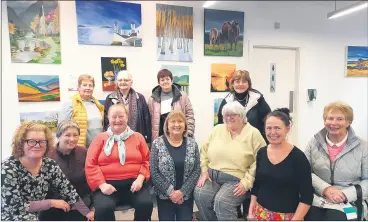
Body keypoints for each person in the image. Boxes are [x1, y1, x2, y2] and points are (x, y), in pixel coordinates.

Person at [1, 122, 93, 221]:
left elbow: (69, 192)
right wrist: (51, 203)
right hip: (12, 216)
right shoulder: (7, 168)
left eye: (42, 141)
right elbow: (15, 207)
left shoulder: (49, 164)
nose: (37, 145)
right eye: (31, 141)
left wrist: (87, 213)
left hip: (39, 215)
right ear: (21, 143)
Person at [194, 101, 266, 220]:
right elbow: (204, 151)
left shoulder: (253, 133)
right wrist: (204, 171)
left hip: (236, 179)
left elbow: (260, 160)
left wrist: (246, 182)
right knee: (200, 195)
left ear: (242, 116)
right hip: (212, 175)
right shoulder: (217, 129)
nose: (229, 118)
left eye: (233, 115)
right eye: (226, 115)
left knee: (222, 202)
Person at [85, 104, 153, 221]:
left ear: (127, 117)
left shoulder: (138, 137)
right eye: (114, 117)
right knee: (104, 208)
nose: (117, 120)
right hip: (107, 186)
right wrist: (102, 185)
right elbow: (90, 165)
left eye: (121, 116)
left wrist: (140, 179)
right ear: (108, 118)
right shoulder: (99, 138)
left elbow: (147, 160)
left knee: (146, 204)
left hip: (134, 185)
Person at [304, 101, 368, 221]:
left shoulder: (363, 146)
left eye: (340, 119)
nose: (334, 123)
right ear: (324, 121)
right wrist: (325, 189)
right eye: (330, 118)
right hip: (317, 198)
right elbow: (304, 171)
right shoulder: (313, 142)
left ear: (349, 122)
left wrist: (345, 194)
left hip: (349, 201)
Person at [248, 108, 313, 221]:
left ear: (288, 129)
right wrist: (250, 213)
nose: (272, 132)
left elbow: (307, 196)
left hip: (287, 217)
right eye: (269, 128)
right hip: (260, 213)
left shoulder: (298, 157)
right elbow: (257, 186)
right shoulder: (261, 153)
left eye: (277, 128)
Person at [38, 120, 94, 221]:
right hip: (54, 207)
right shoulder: (46, 156)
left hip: (81, 205)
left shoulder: (84, 152)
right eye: (67, 135)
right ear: (58, 136)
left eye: (75, 135)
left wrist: (93, 207)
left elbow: (92, 180)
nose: (72, 139)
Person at [150, 110, 201, 221]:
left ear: (185, 126)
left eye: (180, 121)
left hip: (186, 196)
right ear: (167, 125)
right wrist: (171, 193)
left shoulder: (193, 144)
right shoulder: (157, 143)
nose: (176, 124)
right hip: (165, 196)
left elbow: (197, 170)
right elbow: (153, 171)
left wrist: (182, 192)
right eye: (173, 121)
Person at [217, 70, 271, 143]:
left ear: (248, 84)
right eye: (237, 81)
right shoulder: (227, 100)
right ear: (232, 84)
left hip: (254, 140)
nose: (240, 84)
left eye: (244, 81)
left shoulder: (257, 99)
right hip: (232, 141)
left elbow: (268, 119)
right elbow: (221, 123)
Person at [104, 71, 152, 144]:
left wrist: (147, 139)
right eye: (120, 80)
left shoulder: (140, 98)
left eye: (126, 80)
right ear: (117, 82)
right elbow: (106, 120)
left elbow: (146, 119)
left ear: (131, 82)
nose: (123, 82)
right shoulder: (110, 98)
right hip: (115, 138)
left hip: (136, 137)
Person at [148, 69, 195, 142]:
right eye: (162, 80)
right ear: (159, 83)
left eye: (167, 79)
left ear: (172, 81)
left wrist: (189, 133)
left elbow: (190, 115)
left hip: (179, 133)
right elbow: (149, 119)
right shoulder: (152, 99)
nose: (165, 82)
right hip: (160, 135)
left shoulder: (182, 96)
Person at [59, 74, 104, 148]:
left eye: (90, 85)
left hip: (98, 146)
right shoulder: (70, 103)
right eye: (85, 85)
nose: (88, 88)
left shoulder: (97, 104)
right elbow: (62, 127)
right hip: (79, 147)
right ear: (79, 87)